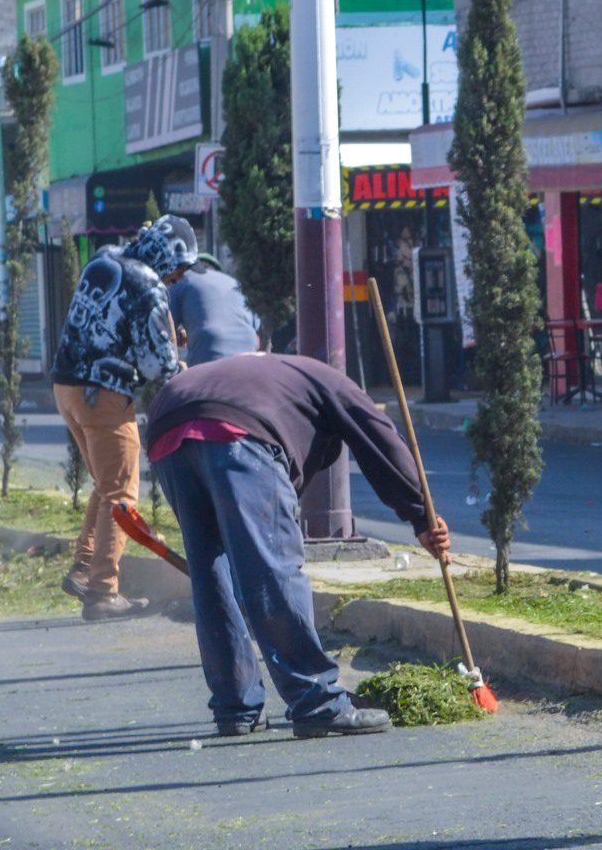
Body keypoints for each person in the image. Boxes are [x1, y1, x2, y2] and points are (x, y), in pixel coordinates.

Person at [146, 353, 453, 738]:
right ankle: (317, 700)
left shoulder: (282, 380)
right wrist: (421, 515)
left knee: (213, 571)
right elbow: (380, 439)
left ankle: (235, 704)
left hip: (166, 429)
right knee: (272, 567)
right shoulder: (335, 385)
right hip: (238, 432)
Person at [50, 214, 186, 621]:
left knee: (106, 484)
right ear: (166, 257)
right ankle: (103, 592)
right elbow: (158, 365)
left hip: (66, 387)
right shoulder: (148, 285)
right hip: (104, 394)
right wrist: (178, 352)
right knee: (121, 494)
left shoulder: (104, 260)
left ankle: (84, 567)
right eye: (179, 269)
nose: (177, 279)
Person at [159, 218, 260, 366]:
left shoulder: (182, 280)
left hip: (209, 352)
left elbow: (165, 329)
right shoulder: (234, 283)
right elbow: (257, 334)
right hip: (249, 354)